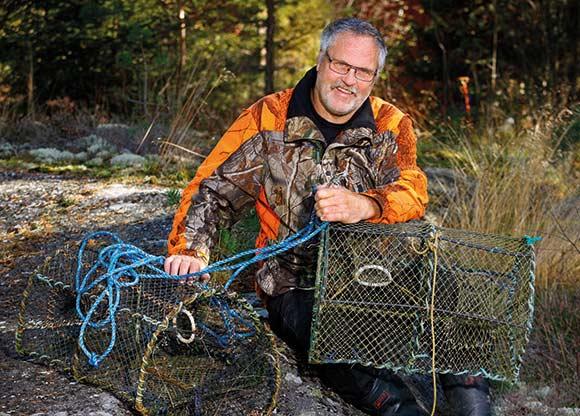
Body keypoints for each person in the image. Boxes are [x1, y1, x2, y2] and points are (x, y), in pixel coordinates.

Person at [164, 17, 491, 416]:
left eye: (363, 72)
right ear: (321, 61)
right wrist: (190, 249)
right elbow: (211, 191)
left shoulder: (390, 124)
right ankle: (398, 407)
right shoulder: (268, 117)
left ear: (375, 76)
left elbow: (412, 190)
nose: (349, 81)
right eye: (340, 65)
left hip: (375, 268)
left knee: (444, 281)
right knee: (331, 345)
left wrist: (366, 205)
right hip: (294, 280)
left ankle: (472, 399)